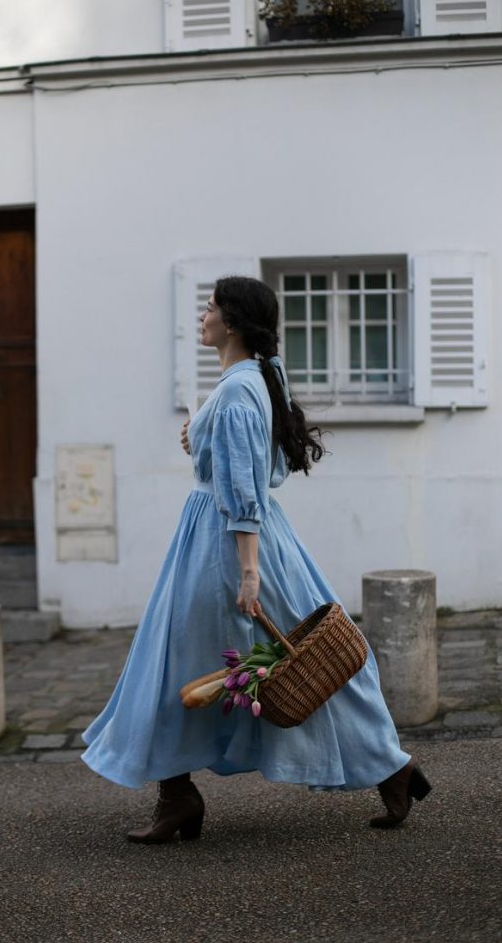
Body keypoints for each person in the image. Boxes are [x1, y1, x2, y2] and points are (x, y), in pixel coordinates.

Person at [81, 275, 431, 842]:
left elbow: (246, 488)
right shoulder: (245, 382)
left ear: (234, 322)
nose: (203, 314)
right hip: (214, 538)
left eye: (212, 306)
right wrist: (202, 437)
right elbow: (255, 464)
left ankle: (391, 766)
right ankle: (177, 796)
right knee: (175, 662)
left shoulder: (242, 389)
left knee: (308, 659)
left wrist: (249, 572)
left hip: (231, 544)